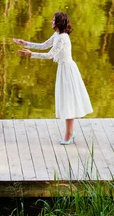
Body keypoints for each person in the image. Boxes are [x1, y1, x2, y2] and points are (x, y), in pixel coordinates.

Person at [13, 12, 92, 145]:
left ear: (58, 23)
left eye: (53, 20)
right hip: (63, 69)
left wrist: (30, 54)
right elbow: (44, 45)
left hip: (68, 71)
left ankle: (69, 133)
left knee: (68, 101)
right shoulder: (57, 35)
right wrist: (25, 43)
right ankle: (70, 132)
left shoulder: (63, 38)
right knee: (67, 101)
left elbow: (49, 55)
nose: (51, 21)